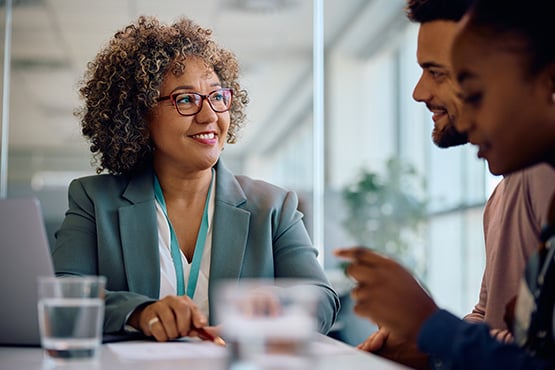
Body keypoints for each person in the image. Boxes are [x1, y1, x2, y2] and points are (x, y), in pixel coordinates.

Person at [52, 15, 340, 343]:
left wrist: (274, 311)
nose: (210, 116)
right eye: (186, 99)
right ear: (140, 114)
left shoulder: (273, 207)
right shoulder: (93, 200)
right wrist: (140, 312)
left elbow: (322, 299)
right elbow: (63, 294)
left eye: (217, 97)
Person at [336, 0, 555, 368]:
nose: (418, 93)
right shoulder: (504, 195)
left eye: (473, 89)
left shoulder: (534, 176)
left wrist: (433, 328)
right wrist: (431, 342)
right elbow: (499, 328)